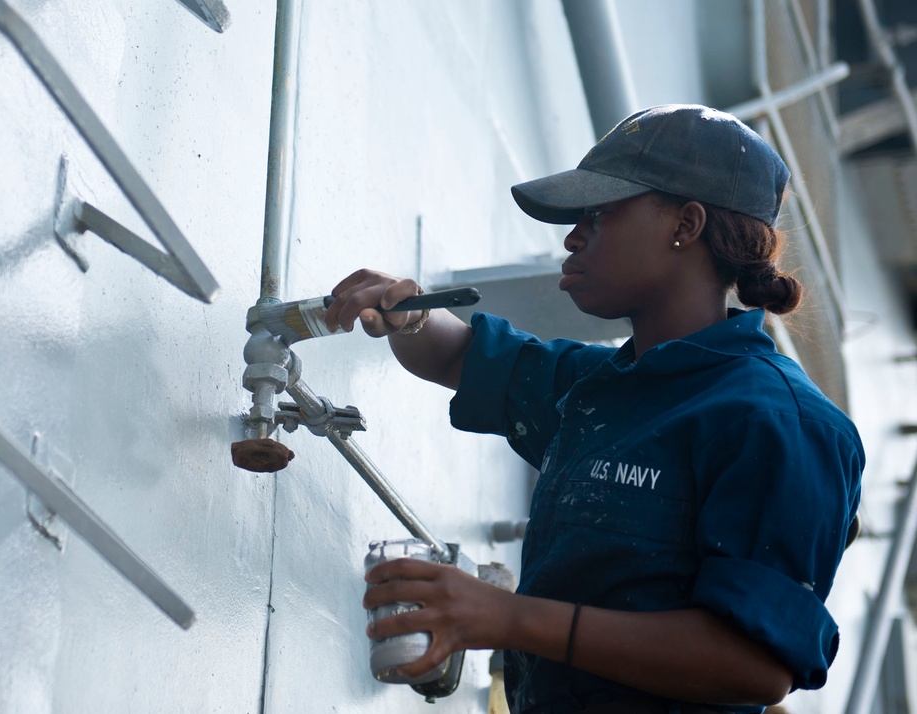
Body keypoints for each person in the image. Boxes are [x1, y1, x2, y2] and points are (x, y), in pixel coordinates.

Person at [323, 104, 864, 714]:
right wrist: (411, 313)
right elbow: (466, 359)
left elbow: (754, 665)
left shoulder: (780, 422)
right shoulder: (605, 386)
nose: (573, 237)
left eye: (598, 214)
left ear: (685, 224)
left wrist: (507, 618)